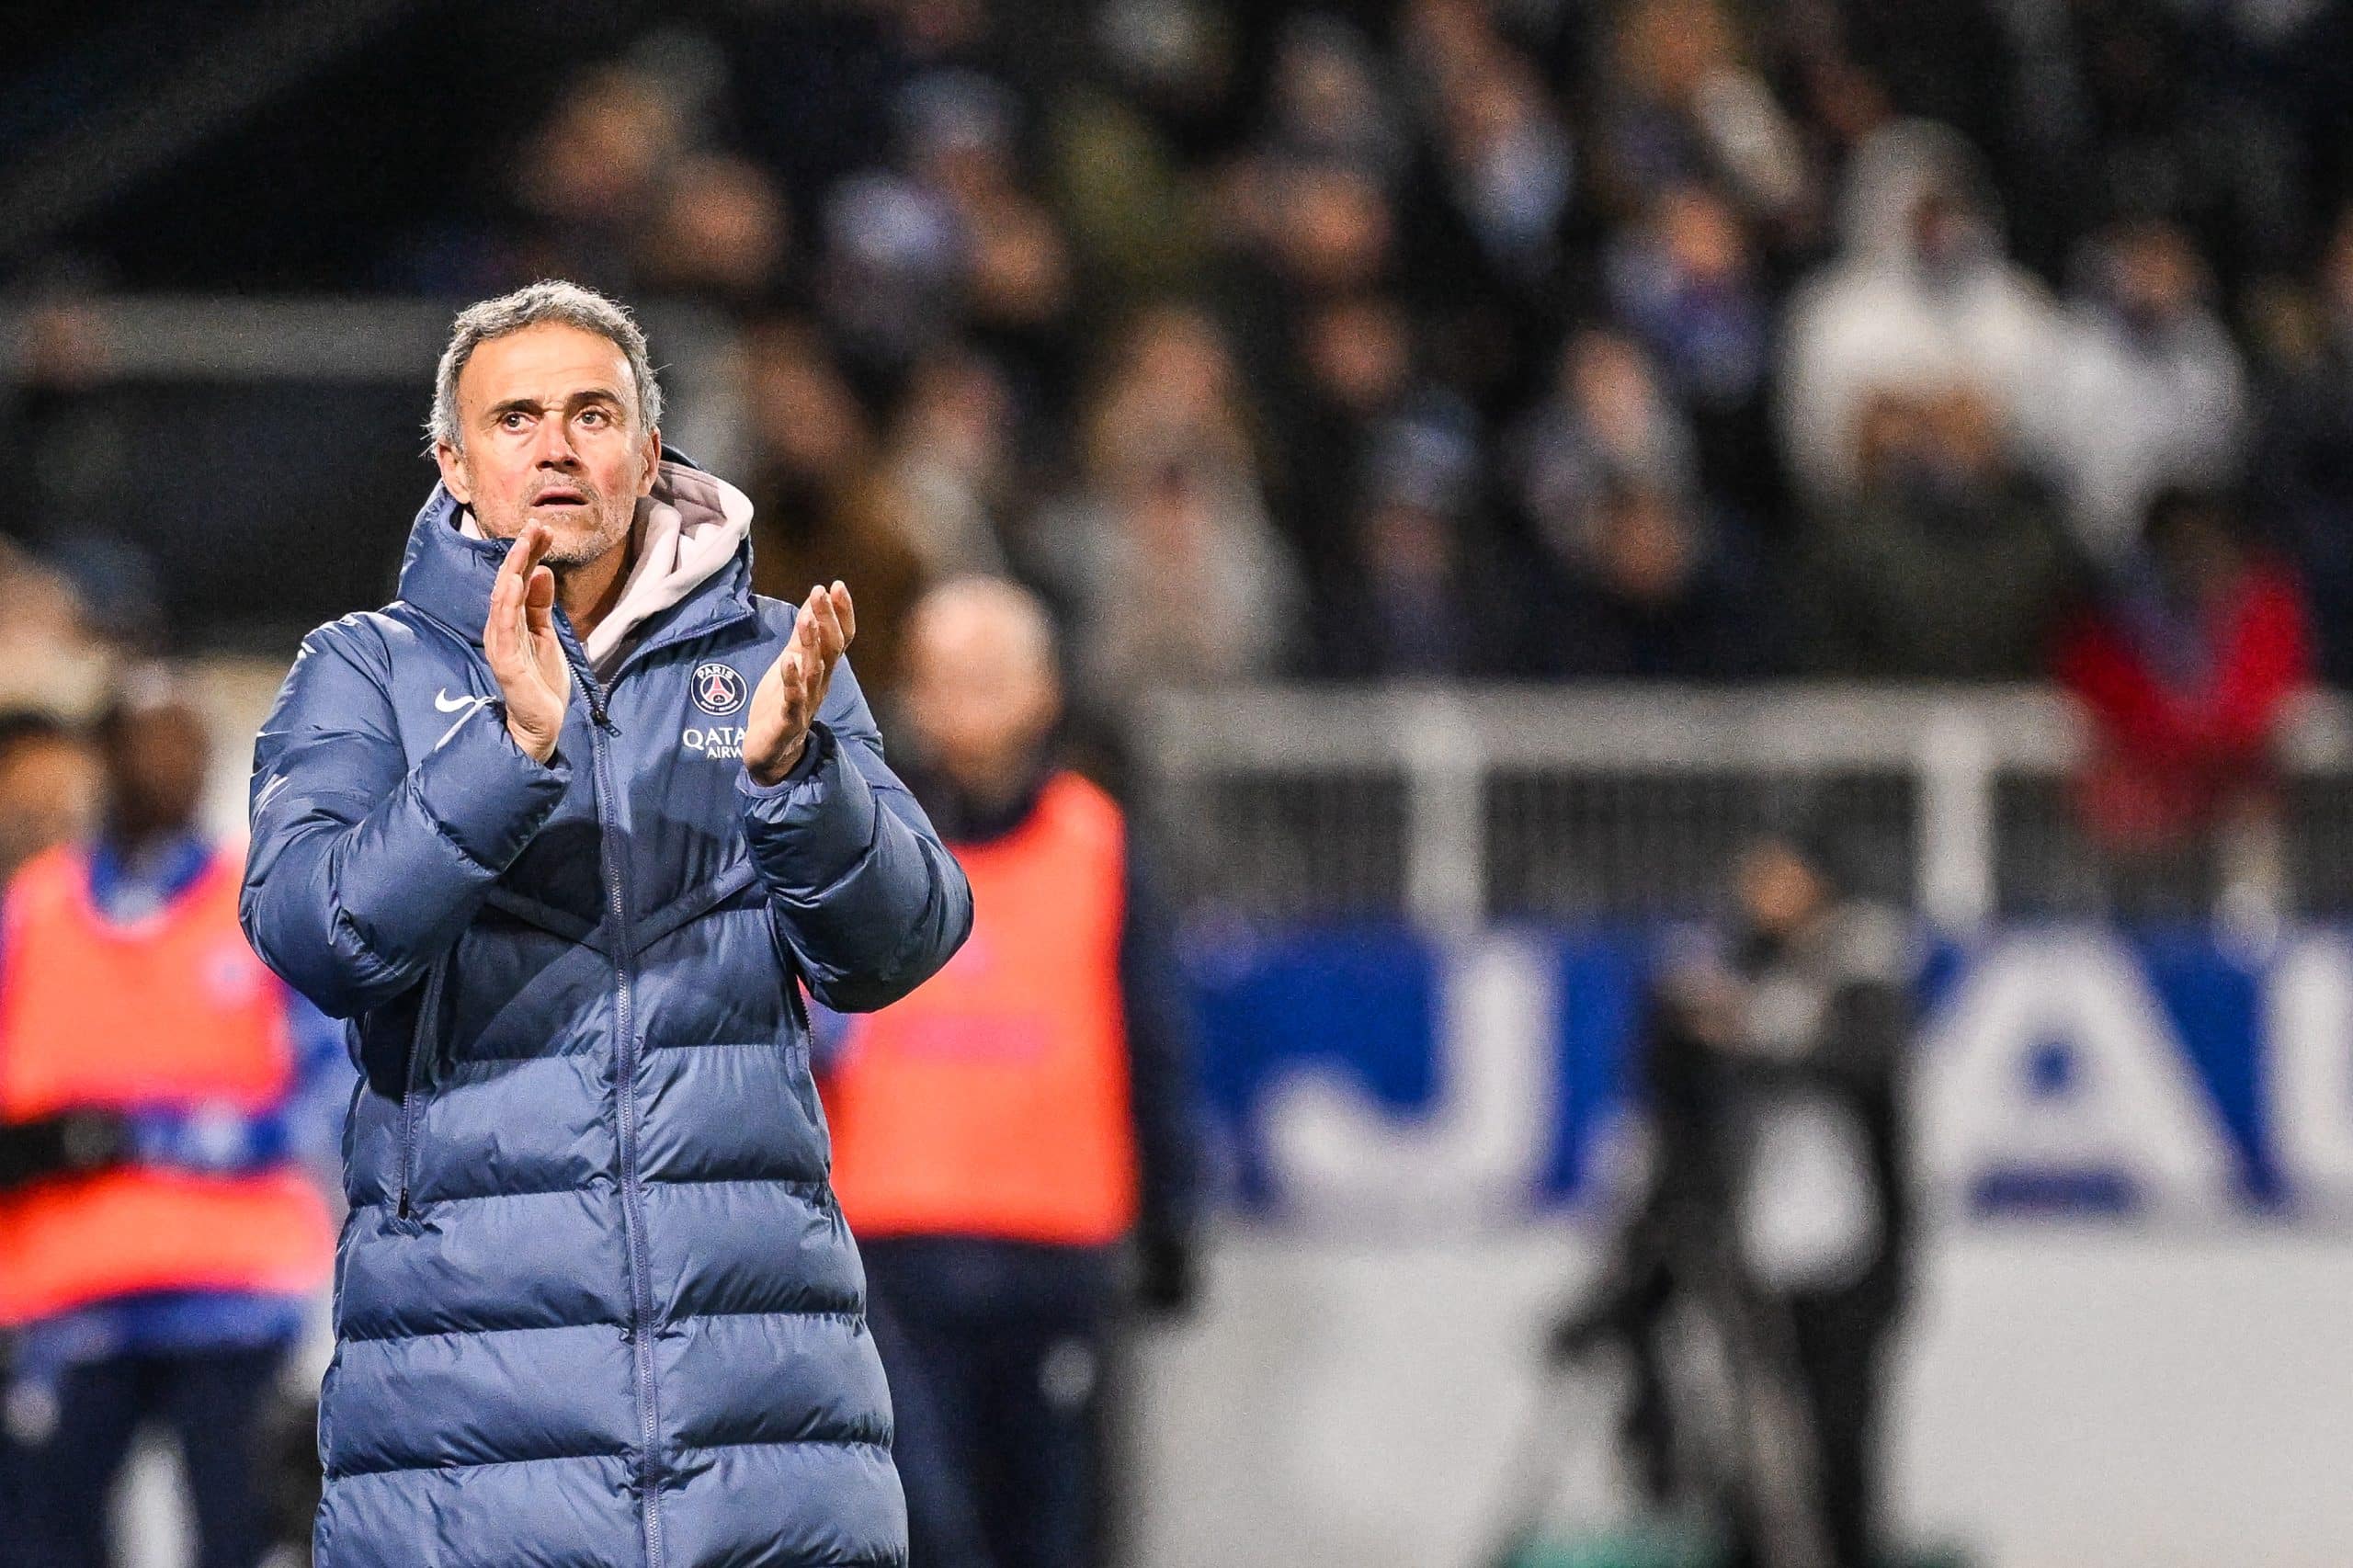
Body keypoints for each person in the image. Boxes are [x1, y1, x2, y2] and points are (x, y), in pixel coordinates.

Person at [238, 281, 973, 1568]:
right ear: (453, 463)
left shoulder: (771, 657)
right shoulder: (367, 670)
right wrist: (508, 752)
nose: (558, 445)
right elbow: (318, 933)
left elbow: (903, 942)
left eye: (594, 412)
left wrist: (807, 788)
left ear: (649, 450)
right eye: (515, 417)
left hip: (761, 1420)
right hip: (472, 1434)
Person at [823, 577, 1200, 1568]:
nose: (971, 700)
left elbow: (1150, 1035)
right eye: (949, 676)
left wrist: (1170, 1216)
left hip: (1056, 1253)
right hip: (893, 1255)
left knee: (1060, 1533)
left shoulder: (1099, 843)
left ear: (1046, 691)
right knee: (919, 1532)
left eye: (994, 675)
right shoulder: (854, 834)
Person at [1, 678, 343, 1568]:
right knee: (43, 1536)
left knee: (236, 1532)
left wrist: (163, 1134)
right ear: (106, 757)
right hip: (70, 1294)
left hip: (230, 1299)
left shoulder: (257, 901)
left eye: (190, 745)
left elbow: (327, 1091)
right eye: (153, 743)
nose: (174, 766)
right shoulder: (35, 910)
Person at [1551, 813, 1914, 1568]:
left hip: (1844, 1258)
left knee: (1836, 1448)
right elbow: (1674, 1093)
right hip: (1752, 1249)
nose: (1757, 888)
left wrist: (1749, 1031)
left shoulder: (1859, 961)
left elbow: (1860, 1060)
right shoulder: (1740, 960)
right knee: (1748, 1448)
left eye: (1776, 870)